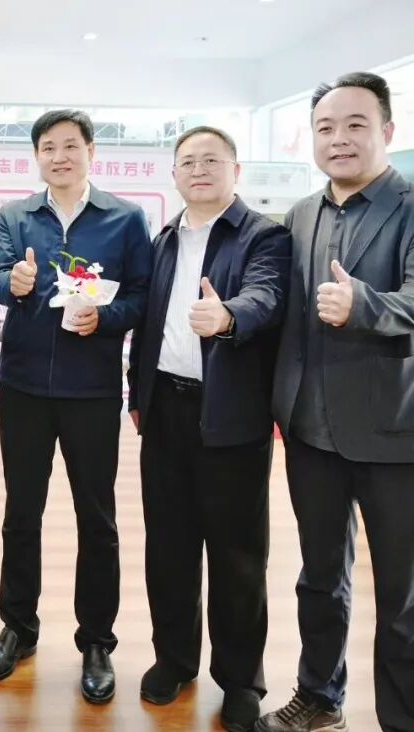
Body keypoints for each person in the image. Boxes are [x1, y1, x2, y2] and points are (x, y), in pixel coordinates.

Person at [259, 71, 414, 732]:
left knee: (403, 596)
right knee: (320, 578)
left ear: (387, 131)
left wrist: (363, 305)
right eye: (325, 127)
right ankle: (320, 697)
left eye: (355, 125)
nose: (339, 138)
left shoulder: (409, 206)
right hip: (310, 432)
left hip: (394, 434)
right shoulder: (301, 214)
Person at [0, 109, 153, 703]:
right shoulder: (16, 215)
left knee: (97, 519)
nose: (59, 156)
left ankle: (97, 640)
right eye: (48, 147)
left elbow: (142, 297)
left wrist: (105, 317)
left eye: (70, 146)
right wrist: (13, 284)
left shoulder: (125, 218)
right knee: (21, 512)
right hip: (24, 387)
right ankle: (18, 627)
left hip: (93, 390)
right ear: (37, 157)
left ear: (90, 152)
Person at [127, 126, 291, 732]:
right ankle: (174, 659)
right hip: (164, 410)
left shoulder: (264, 235)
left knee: (237, 555)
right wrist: (138, 394)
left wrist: (227, 316)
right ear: (174, 174)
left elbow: (266, 297)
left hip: (232, 414)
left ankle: (241, 679)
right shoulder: (164, 238)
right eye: (188, 161)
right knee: (168, 545)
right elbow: (147, 324)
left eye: (211, 160)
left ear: (235, 170)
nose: (199, 169)